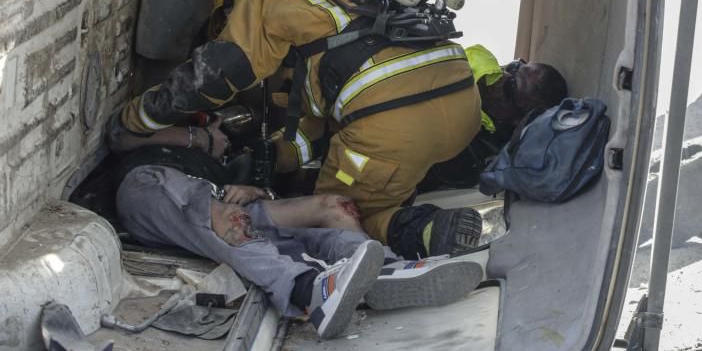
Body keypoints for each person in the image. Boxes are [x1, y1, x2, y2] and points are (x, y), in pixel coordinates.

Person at [111, 0, 564, 260]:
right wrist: (277, 155)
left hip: (392, 124)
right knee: (386, 176)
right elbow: (313, 120)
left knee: (338, 214)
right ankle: (424, 225)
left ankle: (410, 238)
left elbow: (219, 71)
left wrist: (139, 119)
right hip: (458, 107)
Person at [114, 150, 486, 339]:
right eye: (220, 132)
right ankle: (309, 290)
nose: (227, 139)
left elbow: (268, 204)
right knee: (224, 218)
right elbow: (124, 136)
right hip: (159, 198)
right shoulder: (166, 162)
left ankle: (383, 272)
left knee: (332, 206)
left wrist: (259, 191)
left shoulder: (226, 173)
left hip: (231, 208)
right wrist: (198, 139)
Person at [420, 45, 568, 191]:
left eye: (511, 89)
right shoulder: (477, 57)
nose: (503, 77)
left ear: (519, 120)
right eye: (514, 67)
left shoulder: (475, 152)